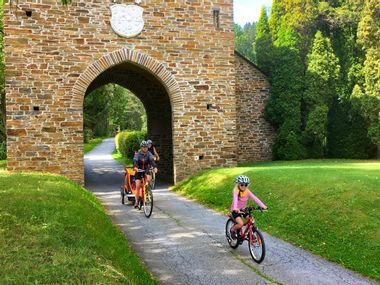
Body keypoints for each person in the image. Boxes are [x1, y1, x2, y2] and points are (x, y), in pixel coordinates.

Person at [230, 175, 267, 239]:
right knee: (240, 223)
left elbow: (254, 198)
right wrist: (235, 208)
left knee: (252, 220)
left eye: (246, 185)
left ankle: (252, 233)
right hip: (235, 210)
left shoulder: (247, 191)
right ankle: (232, 230)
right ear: (238, 184)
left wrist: (263, 206)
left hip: (243, 209)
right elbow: (235, 199)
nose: (244, 186)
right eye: (242, 185)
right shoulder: (236, 191)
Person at [133, 141, 158, 208]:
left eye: (146, 147)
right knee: (138, 186)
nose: (145, 149)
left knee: (149, 180)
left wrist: (155, 167)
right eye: (144, 147)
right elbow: (135, 161)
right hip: (138, 170)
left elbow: (152, 161)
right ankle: (136, 201)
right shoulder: (138, 154)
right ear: (141, 148)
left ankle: (147, 191)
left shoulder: (149, 153)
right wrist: (135, 167)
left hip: (146, 169)